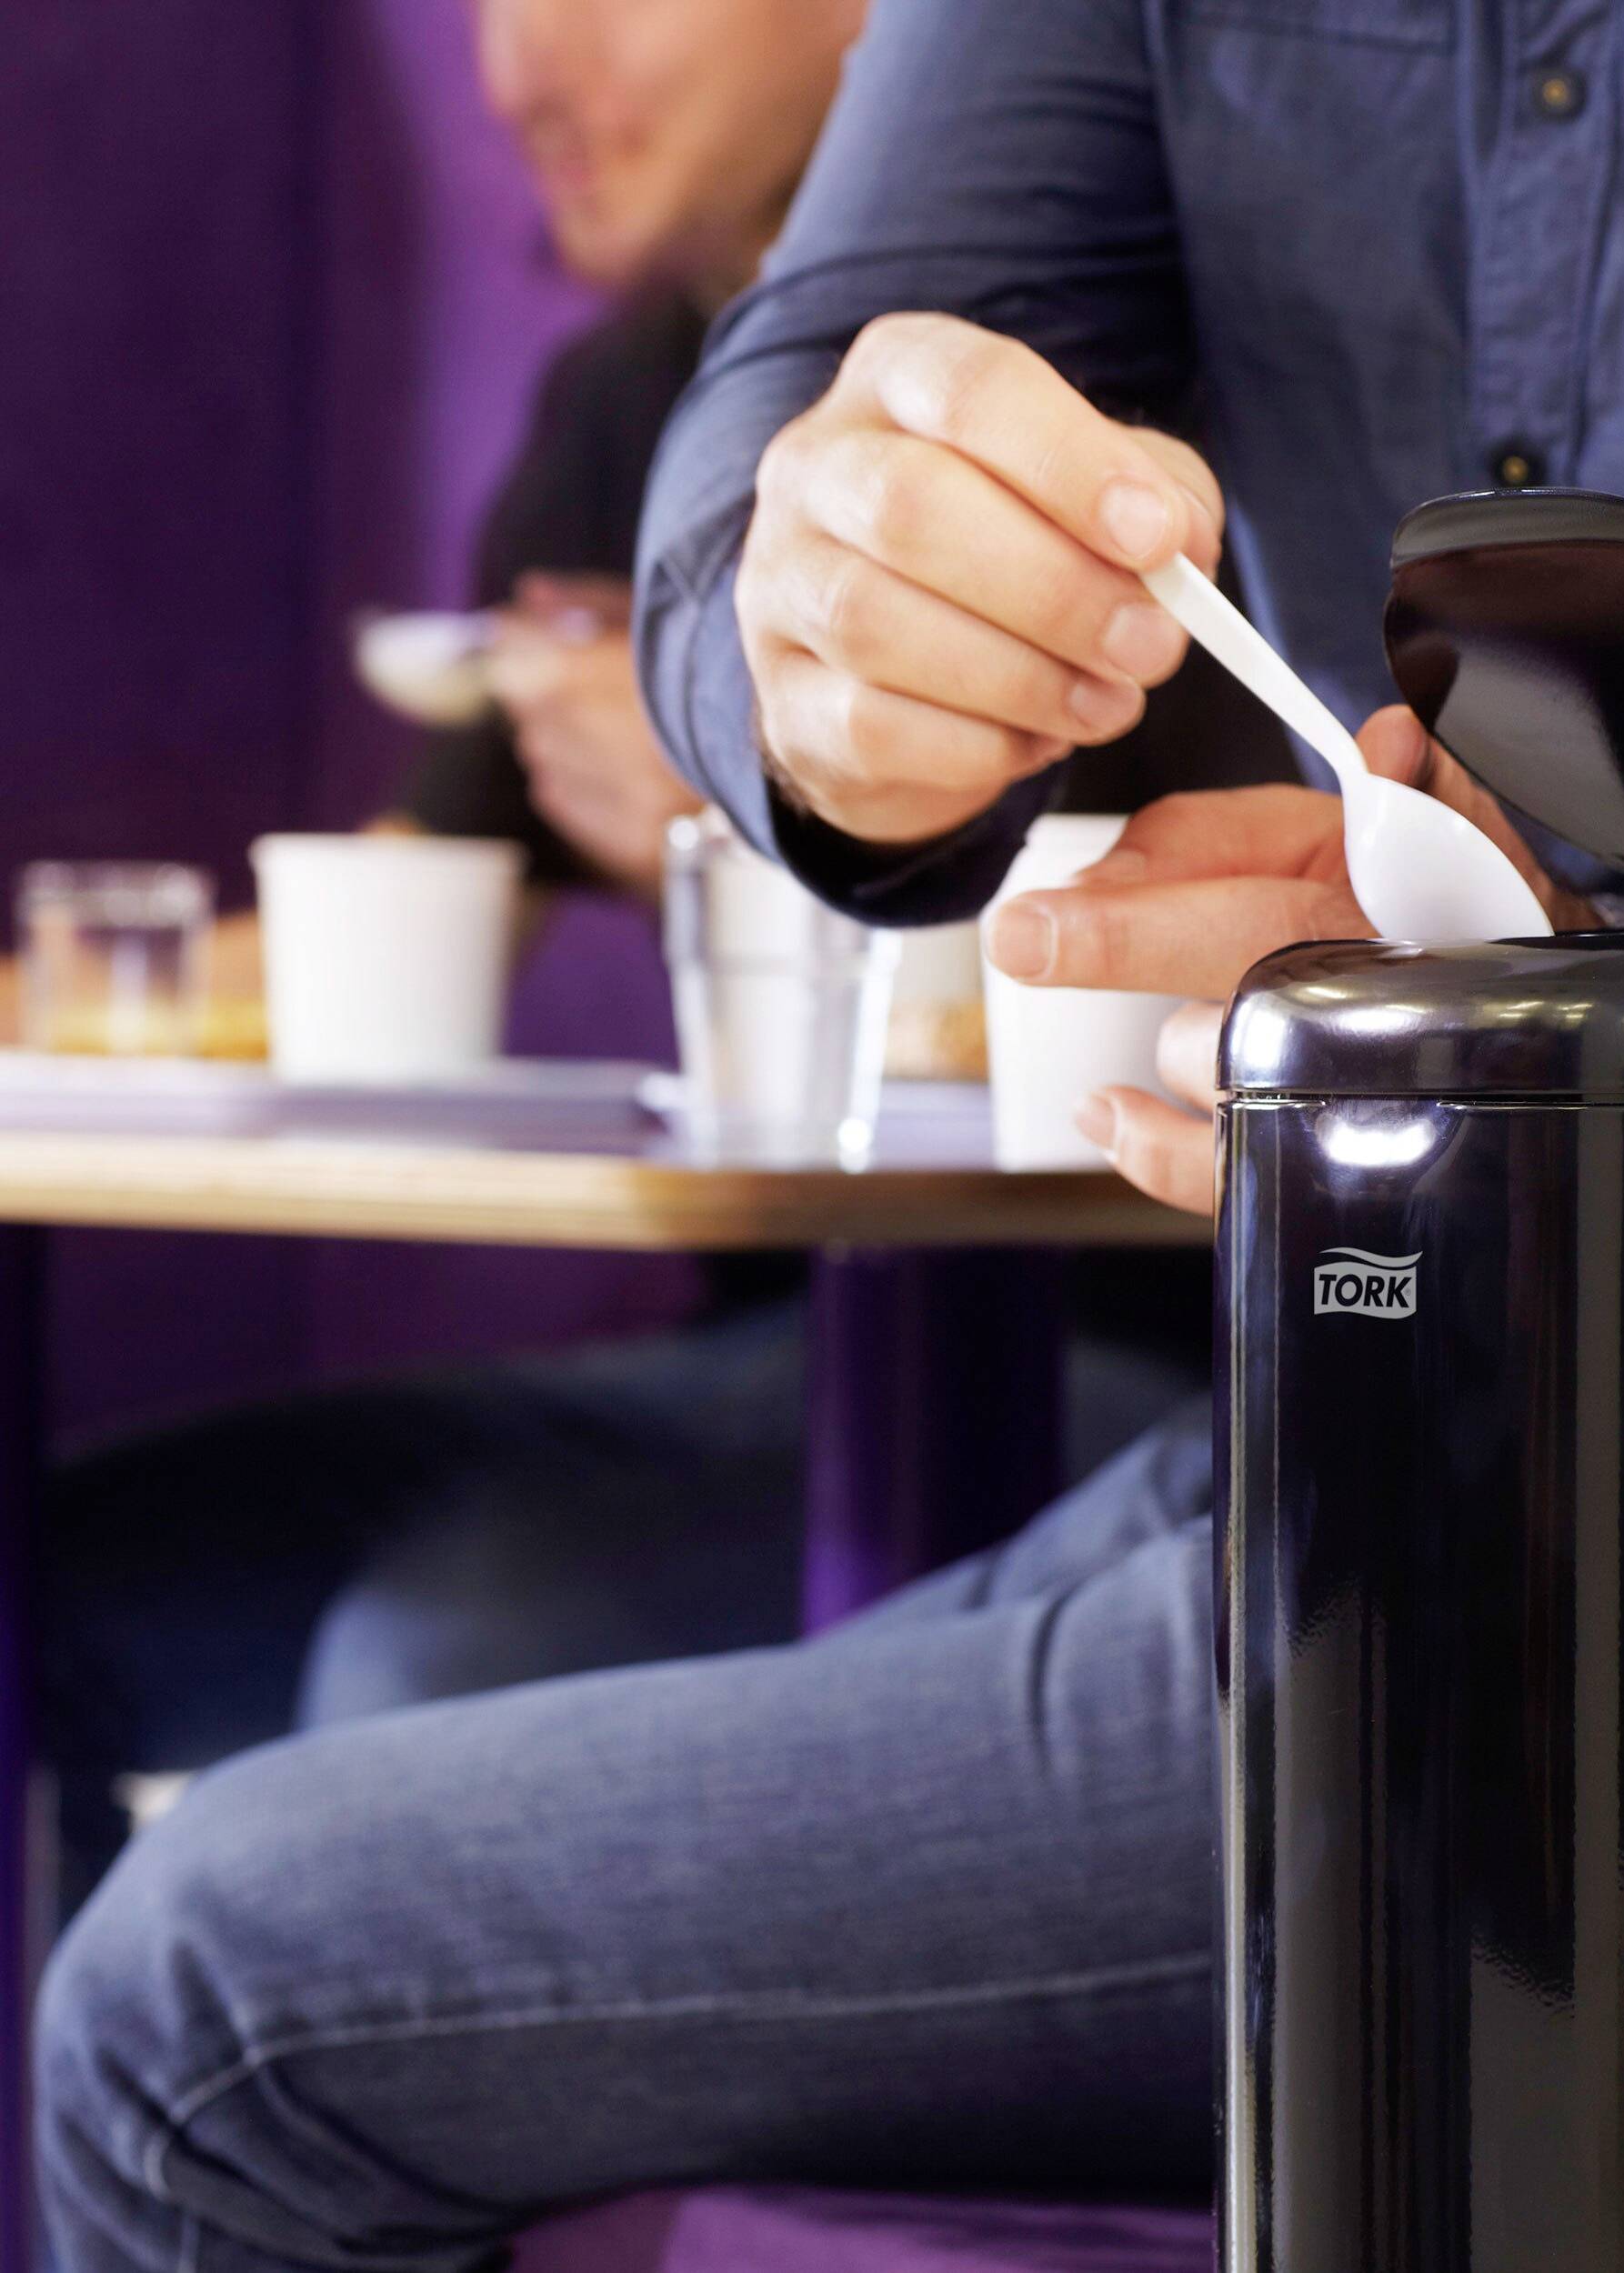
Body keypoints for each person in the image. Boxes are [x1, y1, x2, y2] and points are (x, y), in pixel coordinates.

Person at [35, 0, 1624, 2264]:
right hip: (1337, 1406)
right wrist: (821, 645)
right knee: (244, 1716)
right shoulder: (659, 362)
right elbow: (785, 424)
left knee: (207, 1999)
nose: (509, 61)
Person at [38, 0, 1258, 1909]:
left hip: (1136, 1347)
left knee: (426, 1656)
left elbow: (1125, 975)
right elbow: (372, 918)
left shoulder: (1116, 417)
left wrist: (739, 829)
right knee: (76, 1576)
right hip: (770, 1348)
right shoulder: (638, 406)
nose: (520, 70)